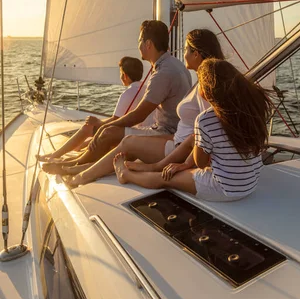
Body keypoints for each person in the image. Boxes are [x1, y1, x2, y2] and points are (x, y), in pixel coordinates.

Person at [75, 59, 271, 202]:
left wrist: (185, 165)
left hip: (223, 188)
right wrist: (188, 162)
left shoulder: (206, 119)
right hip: (249, 184)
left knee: (166, 179)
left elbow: (201, 163)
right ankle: (155, 165)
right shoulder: (252, 109)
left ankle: (126, 175)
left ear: (206, 90)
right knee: (189, 150)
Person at [55, 29, 225, 184]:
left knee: (119, 137)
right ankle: (83, 166)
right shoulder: (187, 71)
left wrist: (172, 164)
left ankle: (82, 174)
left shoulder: (190, 80)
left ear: (196, 54)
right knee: (123, 139)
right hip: (177, 138)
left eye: (187, 49)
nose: (184, 52)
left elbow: (203, 131)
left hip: (179, 145)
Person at [43, 19, 191, 173]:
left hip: (166, 135)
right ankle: (79, 161)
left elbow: (138, 115)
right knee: (110, 131)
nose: (138, 45)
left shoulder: (163, 72)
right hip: (171, 131)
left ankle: (75, 165)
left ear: (148, 44)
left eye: (140, 40)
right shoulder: (175, 65)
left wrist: (105, 126)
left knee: (109, 132)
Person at [38, 56, 153, 163]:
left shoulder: (128, 94)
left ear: (125, 76)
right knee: (87, 142)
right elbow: (120, 119)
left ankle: (55, 155)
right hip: (144, 133)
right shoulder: (147, 89)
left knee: (88, 128)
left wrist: (97, 122)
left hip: (131, 136)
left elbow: (115, 120)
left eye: (121, 73)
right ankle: (73, 151)